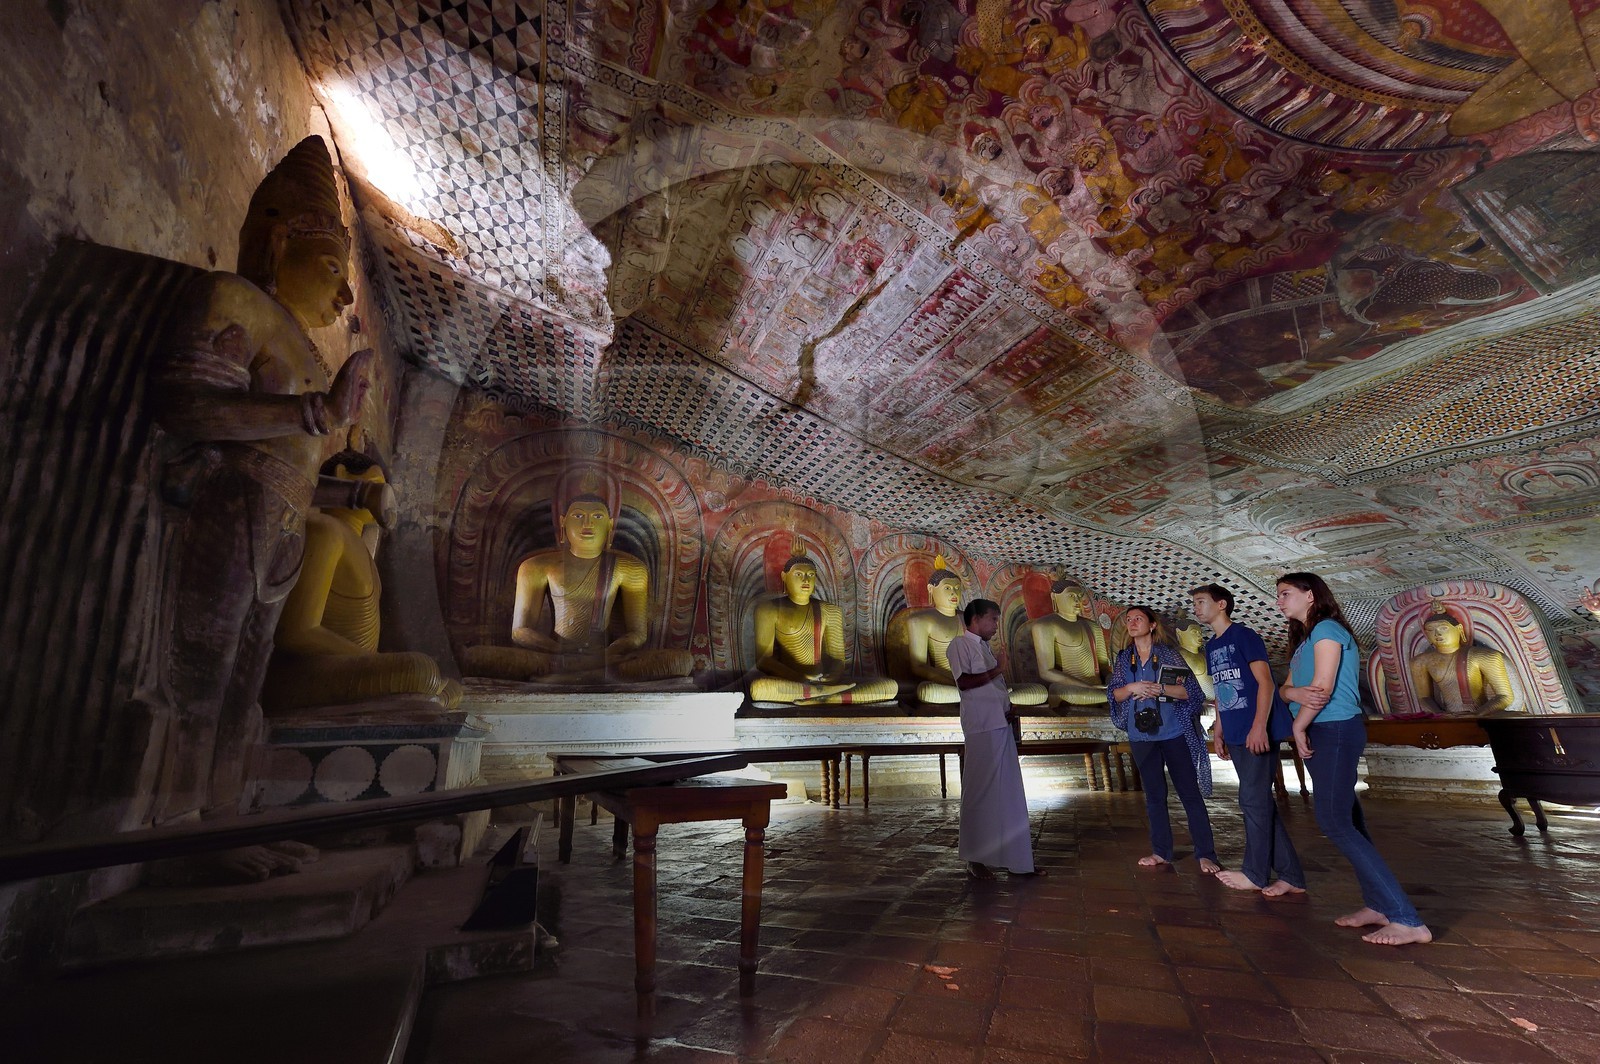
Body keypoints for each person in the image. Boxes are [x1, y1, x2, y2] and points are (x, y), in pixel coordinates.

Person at [151, 136, 371, 880]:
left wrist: (346, 488)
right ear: (279, 243)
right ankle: (175, 835)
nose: (345, 299)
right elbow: (185, 405)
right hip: (224, 504)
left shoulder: (306, 351)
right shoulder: (234, 300)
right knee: (200, 672)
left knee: (247, 684)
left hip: (280, 519)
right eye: (334, 269)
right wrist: (317, 413)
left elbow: (297, 455)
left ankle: (222, 819)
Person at [1277, 572, 1432, 946]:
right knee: (1350, 821)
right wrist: (1293, 695)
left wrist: (1298, 725)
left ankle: (1407, 919)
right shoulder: (1304, 640)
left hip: (1334, 729)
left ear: (1310, 595)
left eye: (1285, 594)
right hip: (1322, 729)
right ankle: (1378, 905)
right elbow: (1286, 690)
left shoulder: (1327, 629)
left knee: (1334, 821)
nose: (1279, 601)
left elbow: (1322, 689)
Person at [261, 455, 462, 713]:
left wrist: (372, 662)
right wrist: (371, 660)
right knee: (421, 672)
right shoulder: (325, 530)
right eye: (378, 483)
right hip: (305, 670)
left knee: (450, 687)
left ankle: (425, 697)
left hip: (349, 668)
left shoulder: (364, 551)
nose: (387, 495)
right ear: (342, 475)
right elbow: (295, 632)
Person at [464, 480, 692, 683]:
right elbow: (520, 631)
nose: (587, 524)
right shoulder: (535, 566)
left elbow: (637, 634)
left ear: (610, 525)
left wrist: (606, 654)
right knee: (475, 657)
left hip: (606, 657)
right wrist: (561, 652)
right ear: (563, 522)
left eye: (597, 517)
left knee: (680, 661)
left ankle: (579, 674)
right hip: (554, 656)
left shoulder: (630, 568)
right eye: (578, 516)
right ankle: (588, 672)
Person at [1191, 584, 1306, 897]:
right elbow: (1220, 691)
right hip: (1235, 729)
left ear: (1222, 604)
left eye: (1201, 602)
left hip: (1257, 728)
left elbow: (1265, 683)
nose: (1196, 608)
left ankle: (1255, 874)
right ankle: (1291, 876)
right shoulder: (1212, 646)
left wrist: (1258, 727)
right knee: (1259, 803)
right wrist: (1219, 729)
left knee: (1252, 801)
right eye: (1195, 603)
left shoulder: (1244, 636)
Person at [1107, 606, 1219, 873]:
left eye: (1138, 618)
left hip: (1173, 731)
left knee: (1189, 793)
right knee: (1154, 795)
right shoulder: (1124, 658)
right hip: (1140, 735)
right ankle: (1161, 852)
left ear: (1152, 625)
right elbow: (1114, 694)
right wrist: (1132, 687)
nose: (1132, 623)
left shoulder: (1169, 655)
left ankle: (1206, 853)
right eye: (1129, 619)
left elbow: (1191, 692)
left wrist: (1160, 689)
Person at [949, 599, 1040, 879]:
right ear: (975, 619)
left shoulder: (985, 648)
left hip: (1000, 723)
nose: (996, 625)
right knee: (979, 791)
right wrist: (999, 669)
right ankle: (975, 858)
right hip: (980, 727)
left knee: (1009, 792)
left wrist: (1006, 707)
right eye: (992, 619)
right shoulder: (959, 645)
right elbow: (965, 682)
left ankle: (1018, 860)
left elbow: (992, 688)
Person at [887, 558, 1047, 706]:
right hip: (949, 684)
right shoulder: (920, 620)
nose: (953, 593)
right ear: (931, 589)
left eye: (957, 588)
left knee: (1039, 692)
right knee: (927, 691)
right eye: (947, 588)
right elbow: (919, 667)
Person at [749, 556, 898, 705]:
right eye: (799, 574)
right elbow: (764, 660)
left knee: (890, 687)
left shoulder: (830, 610)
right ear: (784, 576)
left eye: (811, 575)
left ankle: (827, 697)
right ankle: (827, 695)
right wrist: (799, 677)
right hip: (792, 682)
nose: (806, 580)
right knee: (759, 688)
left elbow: (837, 658)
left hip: (826, 682)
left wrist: (833, 675)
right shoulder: (768, 609)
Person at [1408, 602, 1515, 714]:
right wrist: (1440, 715)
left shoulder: (1484, 656)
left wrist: (1477, 715)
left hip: (1481, 716)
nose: (1437, 633)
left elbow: (1505, 696)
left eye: (1443, 628)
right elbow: (1424, 698)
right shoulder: (1420, 662)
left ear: (1459, 629)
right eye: (1430, 629)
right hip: (1448, 718)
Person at [1030, 576, 1110, 707]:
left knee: (1122, 694)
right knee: (1068, 692)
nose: (1078, 600)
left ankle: (1108, 696)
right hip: (1069, 689)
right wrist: (1086, 686)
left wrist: (1111, 681)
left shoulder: (1093, 626)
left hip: (1097, 687)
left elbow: (1104, 667)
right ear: (1054, 597)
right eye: (1071, 596)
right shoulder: (1045, 625)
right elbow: (1046, 671)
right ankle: (1107, 697)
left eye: (1080, 596)